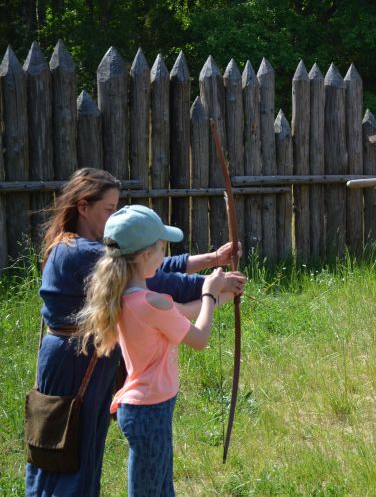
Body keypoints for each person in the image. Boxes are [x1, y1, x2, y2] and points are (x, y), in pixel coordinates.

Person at [25, 168, 245, 497]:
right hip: (73, 359)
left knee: (81, 450)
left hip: (87, 355)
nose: (113, 216)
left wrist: (212, 260)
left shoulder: (97, 250)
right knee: (64, 450)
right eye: (108, 209)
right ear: (83, 207)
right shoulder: (79, 251)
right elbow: (155, 277)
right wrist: (213, 286)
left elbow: (149, 266)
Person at [76, 205, 227, 497]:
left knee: (161, 488)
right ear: (145, 255)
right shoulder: (153, 303)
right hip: (149, 411)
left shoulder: (125, 298)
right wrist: (209, 292)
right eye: (161, 249)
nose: (164, 255)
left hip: (146, 409)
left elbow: (180, 313)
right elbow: (199, 338)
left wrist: (221, 294)